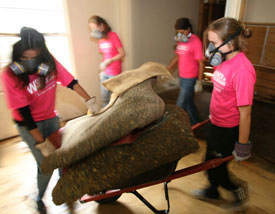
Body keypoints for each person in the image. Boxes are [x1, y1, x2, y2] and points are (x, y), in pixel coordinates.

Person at [0, 27, 100, 214]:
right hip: (28, 125)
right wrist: (42, 143)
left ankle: (67, 185)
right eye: (25, 58)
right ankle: (38, 196)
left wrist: (90, 101)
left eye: (34, 57)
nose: (30, 62)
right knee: (45, 165)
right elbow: (25, 114)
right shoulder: (10, 74)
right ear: (18, 56)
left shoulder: (48, 65)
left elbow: (71, 82)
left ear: (42, 54)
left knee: (63, 156)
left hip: (50, 118)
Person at [192, 17, 255, 210]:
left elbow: (245, 114)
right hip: (216, 122)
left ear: (232, 41)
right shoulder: (223, 61)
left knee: (217, 167)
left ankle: (238, 190)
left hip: (229, 128)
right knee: (208, 162)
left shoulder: (242, 71)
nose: (211, 48)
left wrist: (242, 145)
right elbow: (221, 92)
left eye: (214, 43)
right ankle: (212, 190)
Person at [167, 17, 204, 126]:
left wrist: (199, 82)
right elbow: (177, 56)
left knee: (180, 104)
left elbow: (201, 62)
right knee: (189, 102)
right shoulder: (181, 41)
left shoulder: (196, 41)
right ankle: (196, 122)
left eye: (182, 32)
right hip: (182, 77)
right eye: (178, 33)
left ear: (188, 29)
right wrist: (168, 68)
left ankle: (173, 127)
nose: (180, 35)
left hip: (190, 78)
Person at [88, 15, 125, 107]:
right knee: (104, 100)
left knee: (116, 100)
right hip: (105, 73)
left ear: (101, 26)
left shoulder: (113, 36)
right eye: (91, 29)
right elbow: (105, 55)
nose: (93, 31)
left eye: (94, 28)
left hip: (115, 74)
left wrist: (109, 61)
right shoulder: (100, 40)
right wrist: (102, 69)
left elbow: (122, 54)